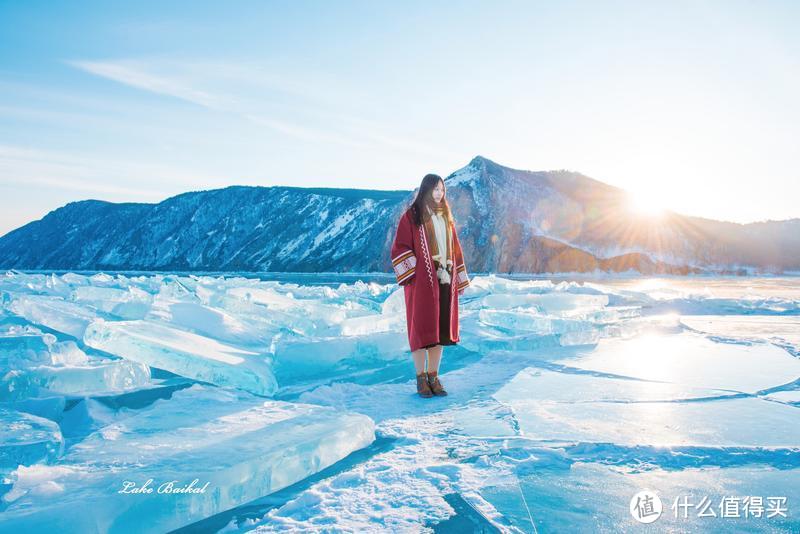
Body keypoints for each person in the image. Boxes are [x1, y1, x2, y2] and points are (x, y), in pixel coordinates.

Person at [390, 173, 471, 398]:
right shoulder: (412, 216)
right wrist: (417, 271)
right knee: (421, 329)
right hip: (422, 283)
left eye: (442, 190)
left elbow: (456, 250)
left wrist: (458, 276)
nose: (439, 193)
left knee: (440, 331)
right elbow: (400, 247)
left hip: (445, 280)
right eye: (435, 189)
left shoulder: (447, 218)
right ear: (425, 190)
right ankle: (420, 379)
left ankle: (434, 376)